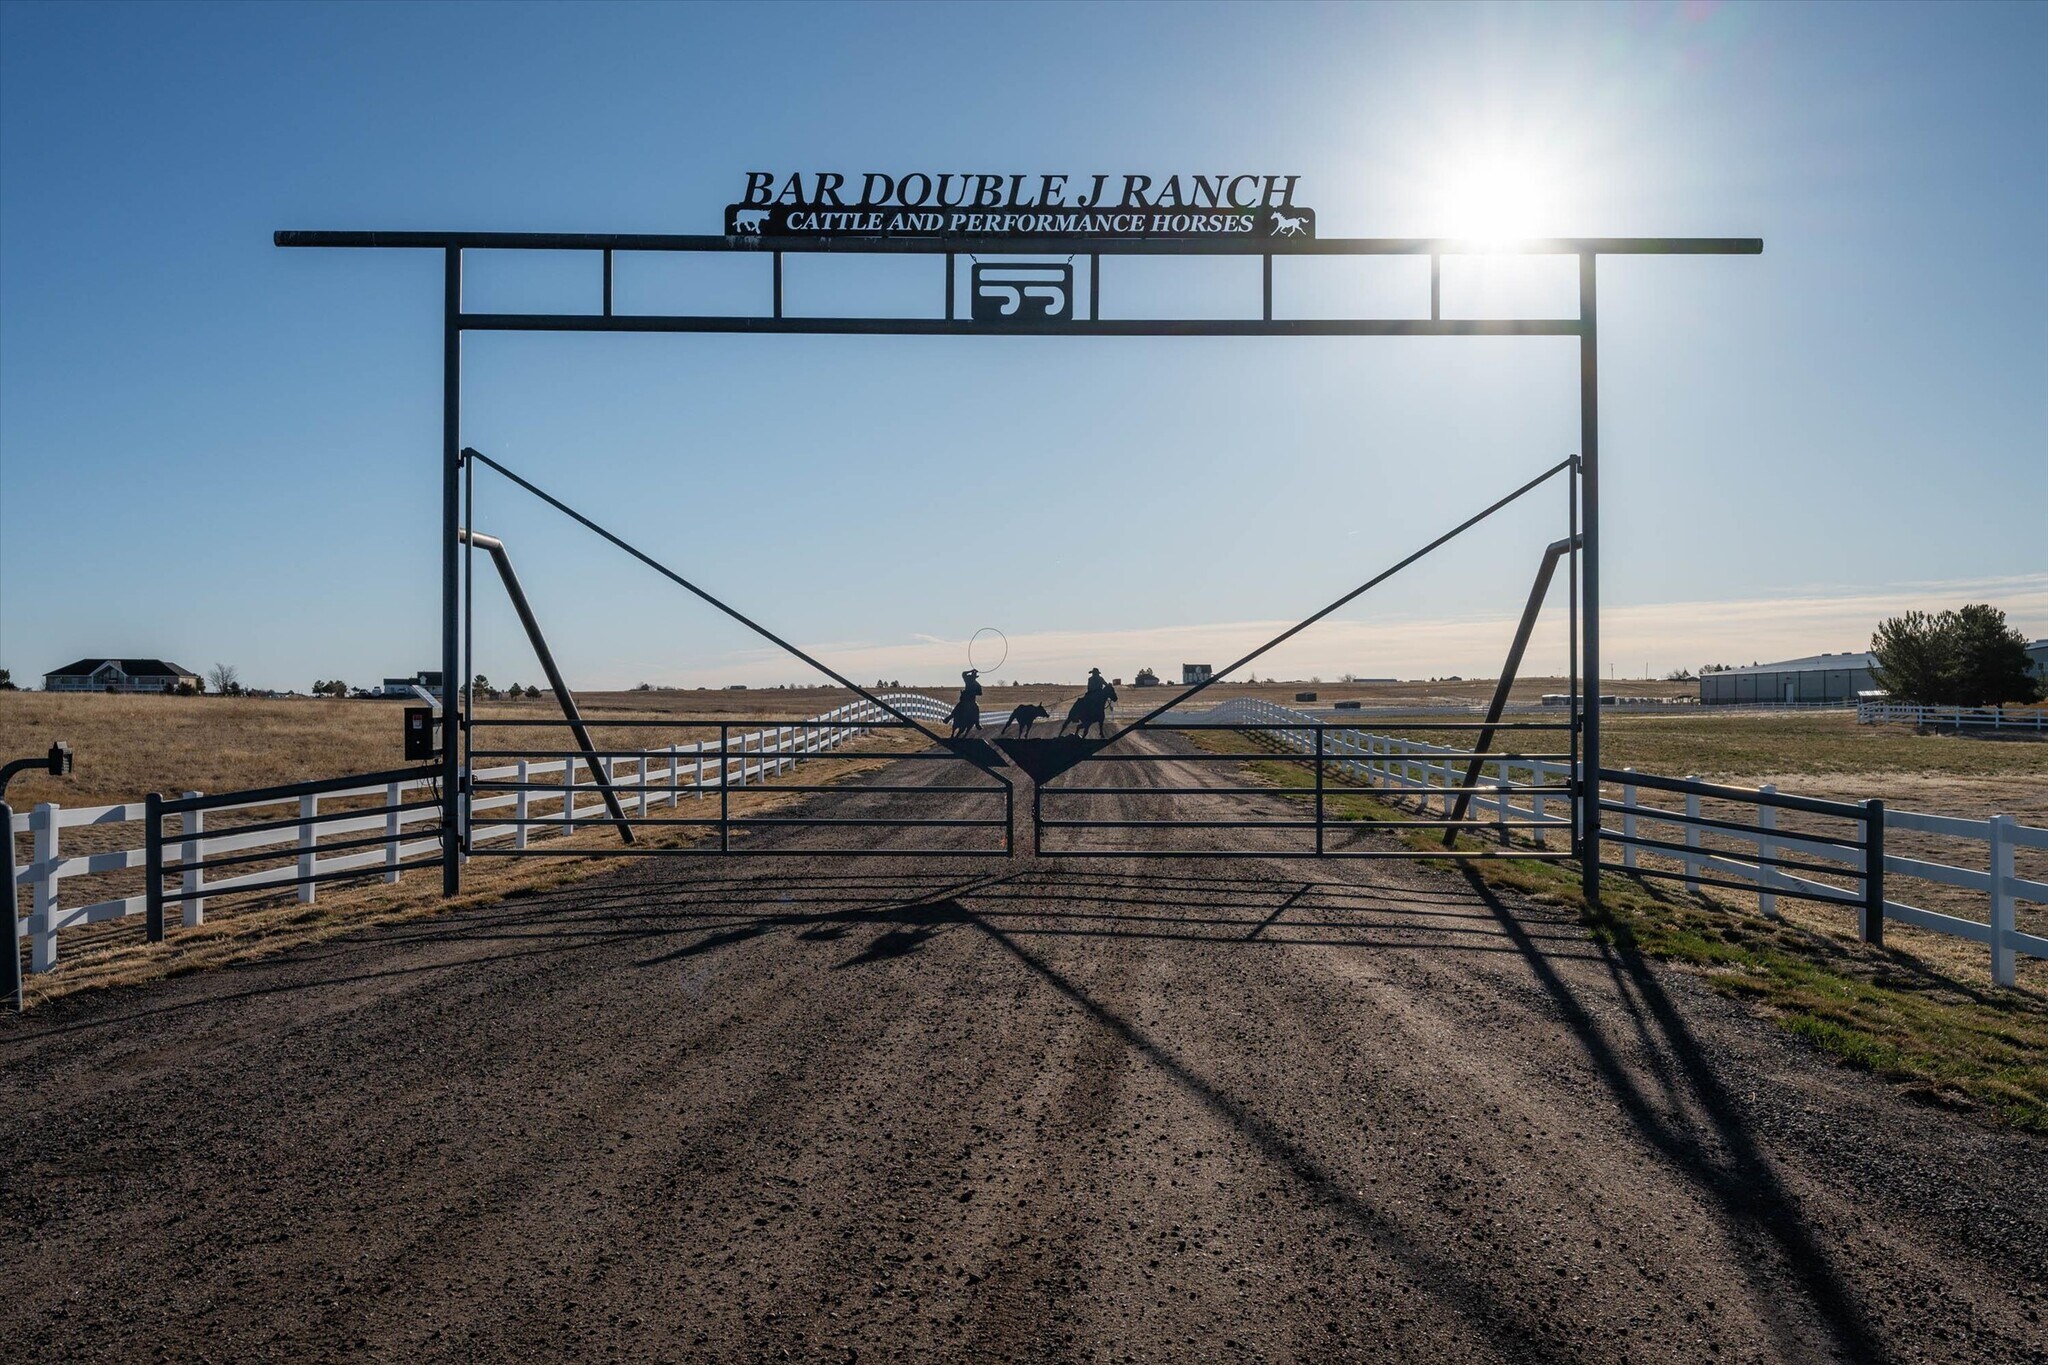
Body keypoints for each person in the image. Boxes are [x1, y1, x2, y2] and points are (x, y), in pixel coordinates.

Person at [948, 667, 983, 737]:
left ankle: (977, 723)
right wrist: (971, 670)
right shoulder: (969, 680)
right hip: (966, 700)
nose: (972, 677)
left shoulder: (974, 683)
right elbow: (963, 673)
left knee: (976, 708)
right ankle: (949, 718)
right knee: (958, 707)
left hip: (970, 701)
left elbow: (980, 693)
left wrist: (974, 692)